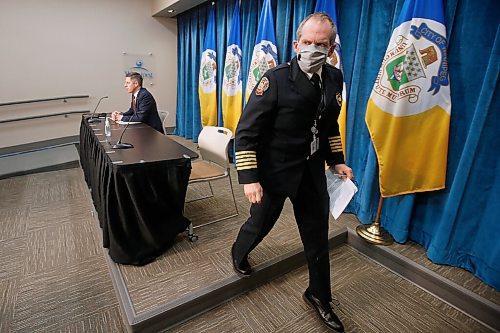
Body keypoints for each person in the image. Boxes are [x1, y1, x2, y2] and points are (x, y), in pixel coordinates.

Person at [231, 13, 353, 333]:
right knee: (259, 224)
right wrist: (250, 178)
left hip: (311, 172)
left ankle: (319, 294)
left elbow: (328, 125)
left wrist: (336, 161)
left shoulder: (334, 79)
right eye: (308, 42)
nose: (314, 48)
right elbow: (246, 134)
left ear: (330, 48)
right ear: (297, 44)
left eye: (321, 44)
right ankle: (238, 252)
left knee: (316, 238)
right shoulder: (275, 80)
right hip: (274, 171)